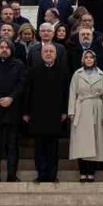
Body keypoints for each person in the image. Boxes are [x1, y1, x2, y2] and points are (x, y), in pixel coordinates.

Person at [24, 43, 69, 184]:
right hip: (37, 114)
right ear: (41, 54)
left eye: (51, 51)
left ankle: (52, 174)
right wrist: (26, 112)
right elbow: (27, 93)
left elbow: (66, 93)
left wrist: (64, 111)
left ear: (55, 54)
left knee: (53, 147)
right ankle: (41, 174)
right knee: (39, 147)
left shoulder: (63, 71)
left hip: (56, 114)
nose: (48, 53)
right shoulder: (33, 71)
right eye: (46, 51)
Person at [0, 39, 26, 182]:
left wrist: (11, 98)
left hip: (13, 111)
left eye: (7, 47)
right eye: (1, 47)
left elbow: (21, 84)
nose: (4, 49)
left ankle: (11, 175)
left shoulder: (19, 65)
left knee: (12, 146)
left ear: (11, 50)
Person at [68, 50, 103, 183]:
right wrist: (71, 112)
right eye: (86, 57)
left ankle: (91, 171)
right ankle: (83, 171)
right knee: (82, 142)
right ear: (82, 60)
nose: (89, 59)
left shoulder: (101, 75)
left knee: (95, 142)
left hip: (96, 108)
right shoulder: (77, 74)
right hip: (82, 108)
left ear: (94, 59)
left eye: (91, 57)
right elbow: (72, 93)